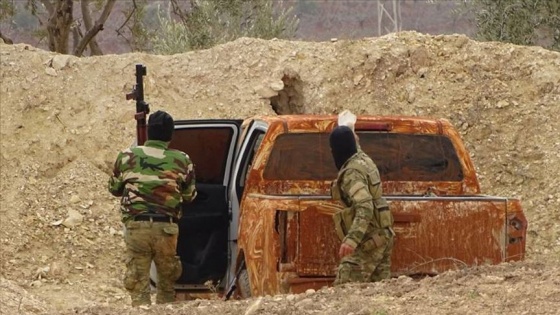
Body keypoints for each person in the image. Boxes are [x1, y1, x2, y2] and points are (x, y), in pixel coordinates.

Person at [108, 110, 197, 306]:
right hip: (167, 229)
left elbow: (114, 189)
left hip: (136, 229)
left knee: (138, 284)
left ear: (148, 131)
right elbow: (189, 196)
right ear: (171, 134)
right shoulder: (182, 160)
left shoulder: (126, 156)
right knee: (167, 286)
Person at [329, 125, 394, 285]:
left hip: (369, 241)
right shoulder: (363, 159)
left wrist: (352, 239)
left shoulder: (351, 174)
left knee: (345, 289)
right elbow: (354, 144)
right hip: (383, 236)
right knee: (377, 292)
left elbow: (365, 206)